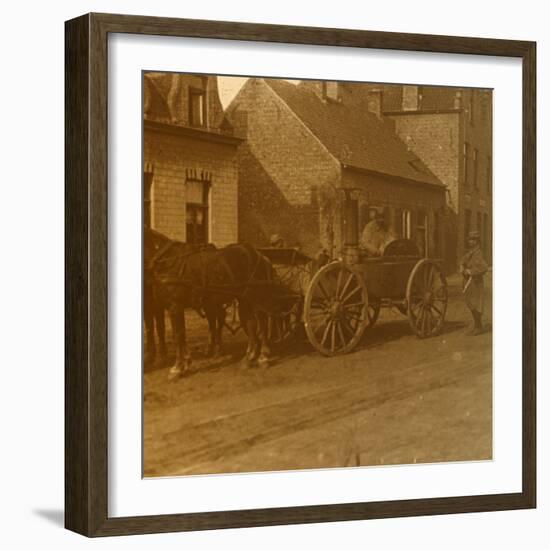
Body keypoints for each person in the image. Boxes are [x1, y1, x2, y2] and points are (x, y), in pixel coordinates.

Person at [460, 230, 488, 336]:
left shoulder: (478, 253)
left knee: (476, 304)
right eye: (470, 240)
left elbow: (484, 268)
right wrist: (462, 266)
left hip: (476, 283)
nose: (470, 242)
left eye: (472, 240)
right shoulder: (471, 252)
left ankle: (478, 326)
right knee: (470, 303)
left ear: (476, 241)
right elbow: (463, 260)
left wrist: (470, 271)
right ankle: (477, 326)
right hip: (469, 283)